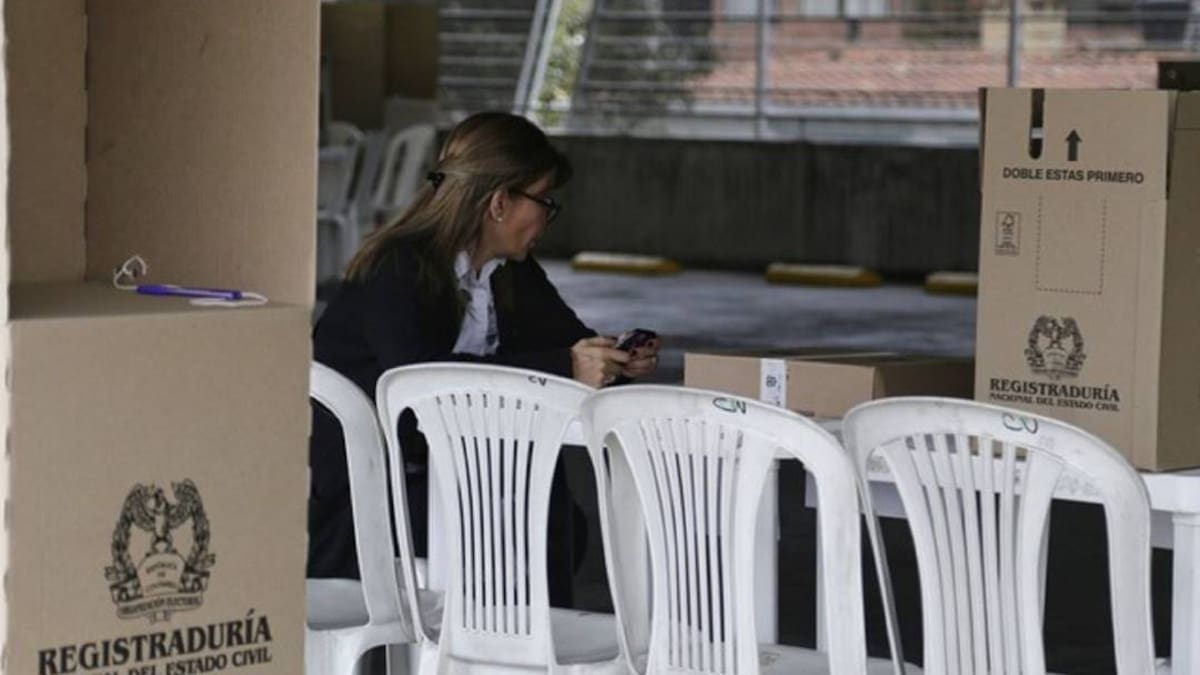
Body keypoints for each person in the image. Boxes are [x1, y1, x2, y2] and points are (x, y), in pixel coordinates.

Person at [307, 112, 661, 605]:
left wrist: (614, 358)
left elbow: (568, 341)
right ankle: (515, 640)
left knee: (550, 509)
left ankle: (528, 642)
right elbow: (422, 383)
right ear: (499, 202)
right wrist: (567, 366)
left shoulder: (510, 272)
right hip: (377, 495)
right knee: (532, 516)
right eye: (544, 201)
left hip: (453, 474)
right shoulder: (398, 268)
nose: (547, 218)